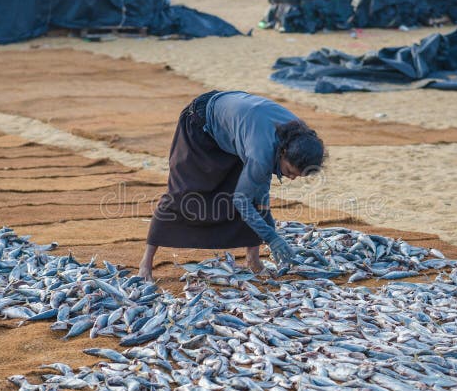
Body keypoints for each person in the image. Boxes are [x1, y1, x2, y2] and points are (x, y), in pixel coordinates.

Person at [138, 90, 326, 281]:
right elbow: (242, 200)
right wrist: (271, 237)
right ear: (283, 152)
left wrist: (268, 225)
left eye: (297, 176)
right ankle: (145, 264)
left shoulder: (299, 136)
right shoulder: (261, 153)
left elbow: (260, 191)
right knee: (182, 195)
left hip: (236, 129)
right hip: (200, 122)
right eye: (290, 171)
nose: (292, 178)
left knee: (255, 200)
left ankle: (253, 260)